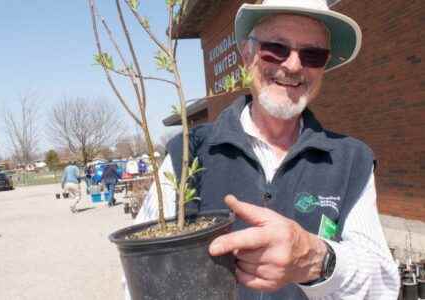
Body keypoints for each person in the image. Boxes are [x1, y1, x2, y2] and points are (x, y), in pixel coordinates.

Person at [134, 1, 400, 299]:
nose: (293, 65)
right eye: (276, 48)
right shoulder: (188, 152)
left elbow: (383, 286)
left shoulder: (352, 160)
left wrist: (318, 259)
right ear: (247, 55)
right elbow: (137, 275)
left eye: (312, 54)